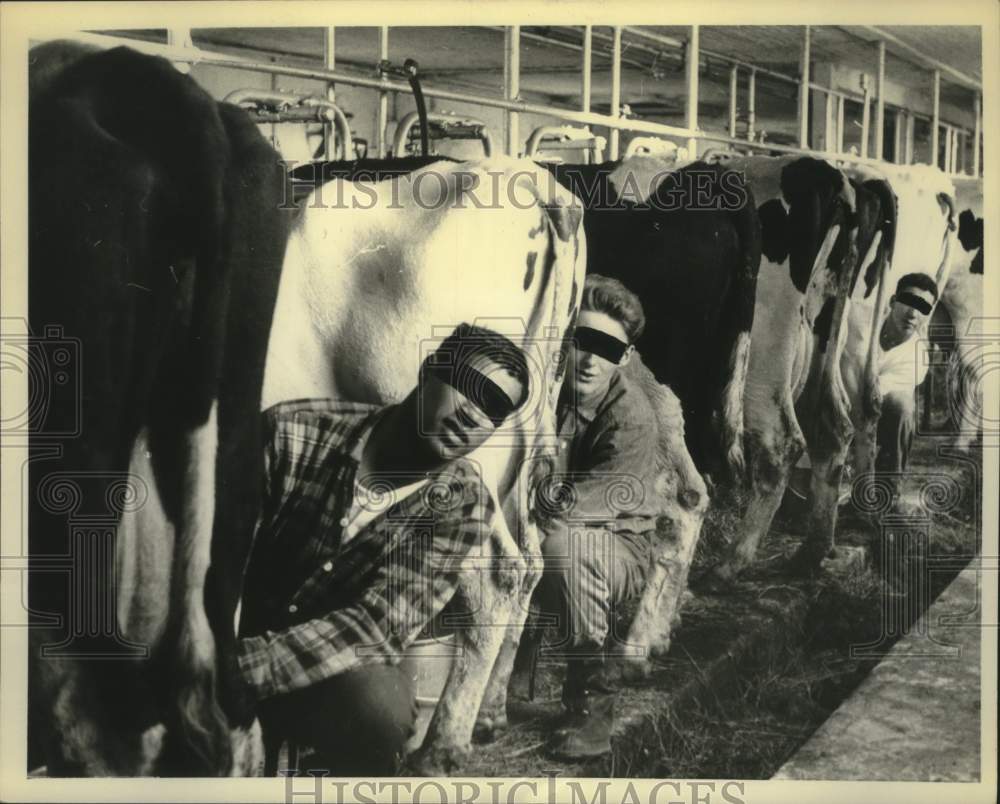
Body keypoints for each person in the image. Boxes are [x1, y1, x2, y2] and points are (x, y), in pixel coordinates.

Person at [236, 323, 530, 775]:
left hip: (321, 669)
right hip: (224, 639)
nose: (473, 415)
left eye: (492, 409)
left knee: (382, 706)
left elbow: (375, 626)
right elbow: (224, 562)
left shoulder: (464, 504)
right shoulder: (293, 428)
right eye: (467, 388)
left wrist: (242, 672)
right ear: (429, 371)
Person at [530, 275, 661, 760]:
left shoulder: (631, 416)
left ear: (624, 358)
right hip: (551, 518)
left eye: (607, 348)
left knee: (564, 548)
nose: (589, 360)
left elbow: (571, 511)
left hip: (616, 544)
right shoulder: (545, 390)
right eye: (583, 341)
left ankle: (592, 702)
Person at [875, 272, 938, 504]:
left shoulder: (918, 355)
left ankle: (887, 493)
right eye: (909, 302)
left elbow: (877, 391)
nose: (913, 313)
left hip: (878, 414)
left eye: (922, 308)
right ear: (893, 301)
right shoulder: (862, 324)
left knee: (903, 407)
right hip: (837, 403)